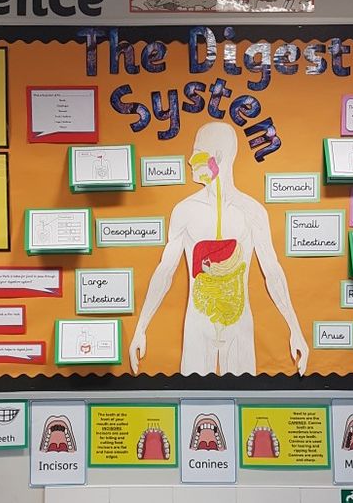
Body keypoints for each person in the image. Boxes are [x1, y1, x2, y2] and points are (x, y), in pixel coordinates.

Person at [129, 121, 309, 377]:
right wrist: (140, 328)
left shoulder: (253, 212)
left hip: (239, 325)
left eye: (198, 152)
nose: (191, 161)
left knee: (244, 405)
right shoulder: (185, 210)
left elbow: (272, 271)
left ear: (219, 157)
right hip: (197, 325)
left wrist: (295, 329)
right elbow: (165, 270)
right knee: (191, 407)